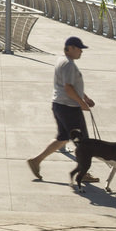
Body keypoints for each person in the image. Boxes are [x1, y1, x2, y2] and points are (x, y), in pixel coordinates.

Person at [26, 36, 98, 182]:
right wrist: (82, 104)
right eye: (79, 49)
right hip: (69, 108)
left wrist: (85, 97)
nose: (81, 52)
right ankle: (82, 174)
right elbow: (69, 88)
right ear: (70, 48)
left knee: (63, 138)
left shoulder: (62, 60)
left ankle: (36, 161)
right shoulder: (69, 64)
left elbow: (72, 85)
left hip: (59, 105)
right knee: (84, 143)